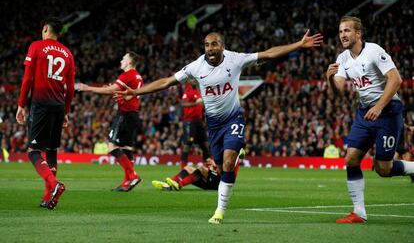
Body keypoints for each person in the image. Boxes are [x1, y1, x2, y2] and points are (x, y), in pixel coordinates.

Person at [117, 30, 323, 224]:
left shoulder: (235, 59)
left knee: (228, 159)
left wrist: (299, 44)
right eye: (207, 45)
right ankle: (227, 173)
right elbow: (167, 81)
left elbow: (269, 54)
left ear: (222, 46)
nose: (210, 48)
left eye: (214, 44)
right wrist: (137, 92)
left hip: (234, 118)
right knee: (219, 167)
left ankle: (220, 211)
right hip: (213, 125)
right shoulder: (196, 66)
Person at [327, 16, 414, 223]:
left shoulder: (374, 51)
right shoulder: (343, 59)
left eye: (347, 31)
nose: (343, 35)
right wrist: (329, 78)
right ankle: (359, 213)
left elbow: (396, 79)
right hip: (365, 113)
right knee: (351, 159)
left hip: (388, 111)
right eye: (340, 32)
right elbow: (338, 90)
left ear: (358, 33)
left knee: (384, 169)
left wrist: (379, 106)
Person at [16, 17, 75, 209]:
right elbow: (71, 88)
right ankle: (48, 196)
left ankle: (55, 185)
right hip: (58, 106)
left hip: (41, 104)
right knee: (51, 150)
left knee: (34, 152)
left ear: (45, 29)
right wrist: (66, 111)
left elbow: (27, 79)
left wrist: (21, 104)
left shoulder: (36, 46)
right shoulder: (68, 54)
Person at [77, 51, 143, 192]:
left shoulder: (128, 75)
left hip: (124, 115)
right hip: (133, 115)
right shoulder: (137, 76)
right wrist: (113, 91)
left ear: (129, 62)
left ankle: (133, 176)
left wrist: (88, 88)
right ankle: (127, 183)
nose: (121, 61)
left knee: (112, 147)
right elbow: (123, 93)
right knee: (127, 149)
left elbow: (112, 90)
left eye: (123, 58)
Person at [152, 148, 245, 191]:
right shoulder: (224, 150)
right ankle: (168, 184)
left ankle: (179, 184)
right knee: (188, 168)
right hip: (215, 180)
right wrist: (213, 165)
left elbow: (226, 167)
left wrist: (214, 165)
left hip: (222, 182)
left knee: (201, 169)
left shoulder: (233, 152)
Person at [180, 80, 210, 169]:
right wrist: (196, 103)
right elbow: (183, 104)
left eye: (194, 79)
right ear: (189, 81)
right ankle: (183, 168)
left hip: (199, 121)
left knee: (204, 144)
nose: (193, 81)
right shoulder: (188, 91)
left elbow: (201, 105)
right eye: (191, 79)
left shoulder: (198, 91)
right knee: (188, 143)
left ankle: (209, 167)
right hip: (190, 121)